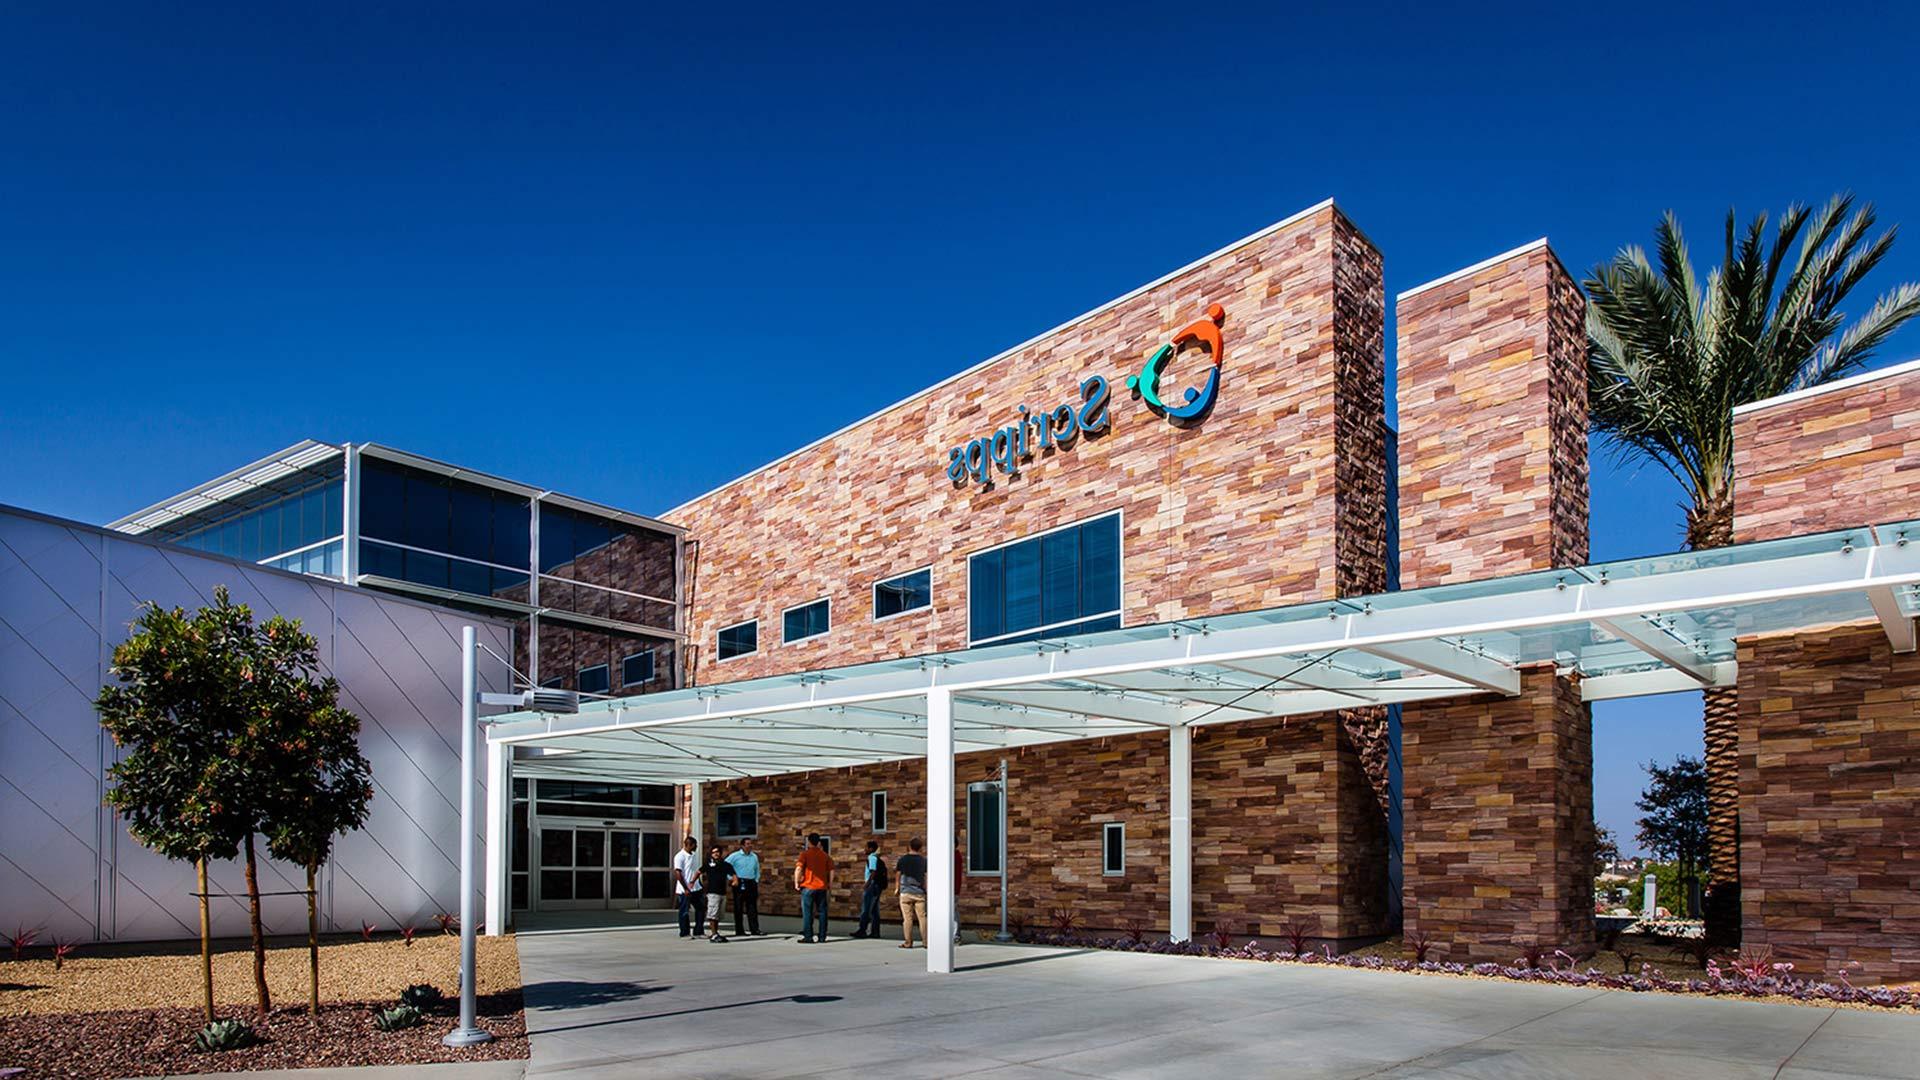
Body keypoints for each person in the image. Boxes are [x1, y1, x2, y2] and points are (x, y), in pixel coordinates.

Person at [793, 833, 833, 943]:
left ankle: (808, 936)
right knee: (823, 912)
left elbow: (798, 869)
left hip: (808, 887)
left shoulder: (805, 854)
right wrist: (830, 884)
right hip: (822, 887)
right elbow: (831, 871)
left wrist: (796, 882)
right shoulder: (825, 855)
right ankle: (822, 937)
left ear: (809, 842)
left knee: (808, 913)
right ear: (819, 842)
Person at [726, 837, 762, 936]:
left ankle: (755, 929)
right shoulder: (735, 856)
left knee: (752, 907)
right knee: (738, 907)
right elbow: (725, 866)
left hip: (751, 882)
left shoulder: (754, 856)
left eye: (750, 843)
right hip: (739, 882)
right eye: (747, 844)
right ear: (742, 845)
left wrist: (756, 879)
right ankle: (739, 930)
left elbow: (757, 869)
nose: (750, 845)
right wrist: (731, 878)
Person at [895, 837, 927, 949]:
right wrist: (925, 888)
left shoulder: (903, 859)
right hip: (919, 892)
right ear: (920, 848)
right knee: (922, 918)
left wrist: (897, 888)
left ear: (909, 846)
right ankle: (925, 941)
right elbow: (925, 876)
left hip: (905, 892)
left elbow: (898, 874)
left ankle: (908, 942)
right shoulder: (923, 860)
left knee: (907, 919)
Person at [852, 839, 888, 938]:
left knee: (866, 909)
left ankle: (862, 930)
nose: (865, 849)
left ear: (871, 849)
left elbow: (873, 872)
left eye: (866, 847)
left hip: (872, 885)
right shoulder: (876, 858)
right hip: (877, 885)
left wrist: (867, 884)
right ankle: (875, 932)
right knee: (874, 910)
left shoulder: (872, 858)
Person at [701, 841, 735, 942]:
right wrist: (693, 882)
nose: (716, 854)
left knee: (718, 915)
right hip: (712, 893)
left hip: (722, 893)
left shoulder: (725, 865)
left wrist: (735, 880)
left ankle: (716, 933)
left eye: (717, 852)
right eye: (713, 852)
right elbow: (699, 872)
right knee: (712, 914)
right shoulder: (708, 864)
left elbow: (733, 874)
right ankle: (714, 934)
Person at [673, 836, 701, 939]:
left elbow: (695, 871)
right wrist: (685, 888)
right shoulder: (680, 856)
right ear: (689, 845)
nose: (696, 847)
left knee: (701, 909)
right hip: (684, 889)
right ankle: (684, 932)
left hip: (696, 888)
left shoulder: (693, 855)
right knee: (684, 911)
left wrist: (699, 884)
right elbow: (678, 873)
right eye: (695, 845)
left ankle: (698, 931)